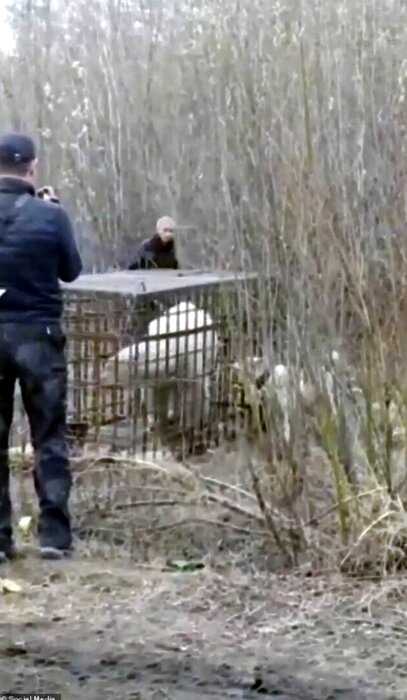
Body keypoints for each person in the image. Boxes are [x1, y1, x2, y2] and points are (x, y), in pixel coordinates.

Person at [0, 132, 82, 563]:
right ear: (32, 167)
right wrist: (53, 211)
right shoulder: (51, 216)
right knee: (48, 437)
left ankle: (0, 540)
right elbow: (71, 270)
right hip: (39, 336)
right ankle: (54, 536)